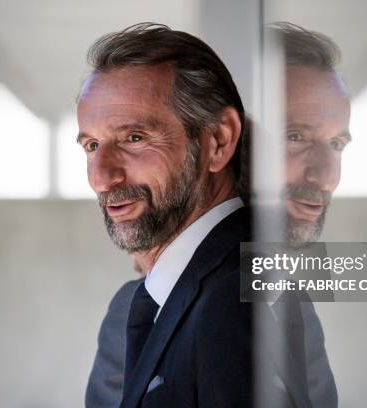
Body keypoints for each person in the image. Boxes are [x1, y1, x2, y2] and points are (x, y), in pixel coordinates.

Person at [83, 22, 351, 407]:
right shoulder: (146, 306)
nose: (327, 177)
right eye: (294, 136)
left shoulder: (288, 302)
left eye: (336, 143)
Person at [77, 23, 254, 407]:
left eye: (134, 138)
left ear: (219, 141)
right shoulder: (163, 294)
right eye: (92, 145)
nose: (101, 178)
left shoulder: (238, 297)